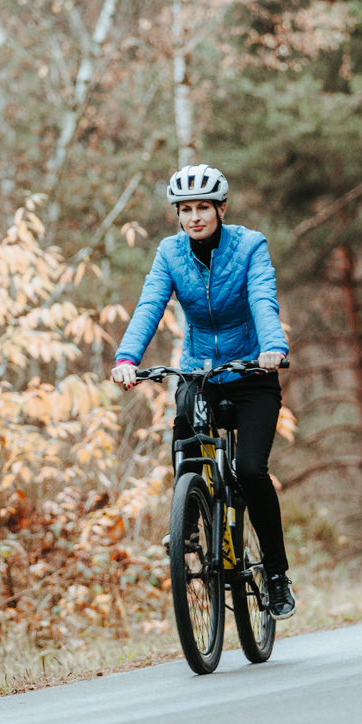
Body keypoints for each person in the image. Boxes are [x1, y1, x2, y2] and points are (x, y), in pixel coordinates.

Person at [112, 163, 296, 618]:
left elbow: (261, 298)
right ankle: (189, 525)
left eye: (203, 208)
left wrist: (272, 347)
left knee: (252, 471)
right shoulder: (170, 253)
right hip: (202, 373)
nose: (194, 217)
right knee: (185, 438)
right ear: (178, 214)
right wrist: (126, 358)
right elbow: (151, 302)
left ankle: (275, 576)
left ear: (221, 209)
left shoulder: (250, 245)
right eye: (186, 209)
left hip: (253, 372)